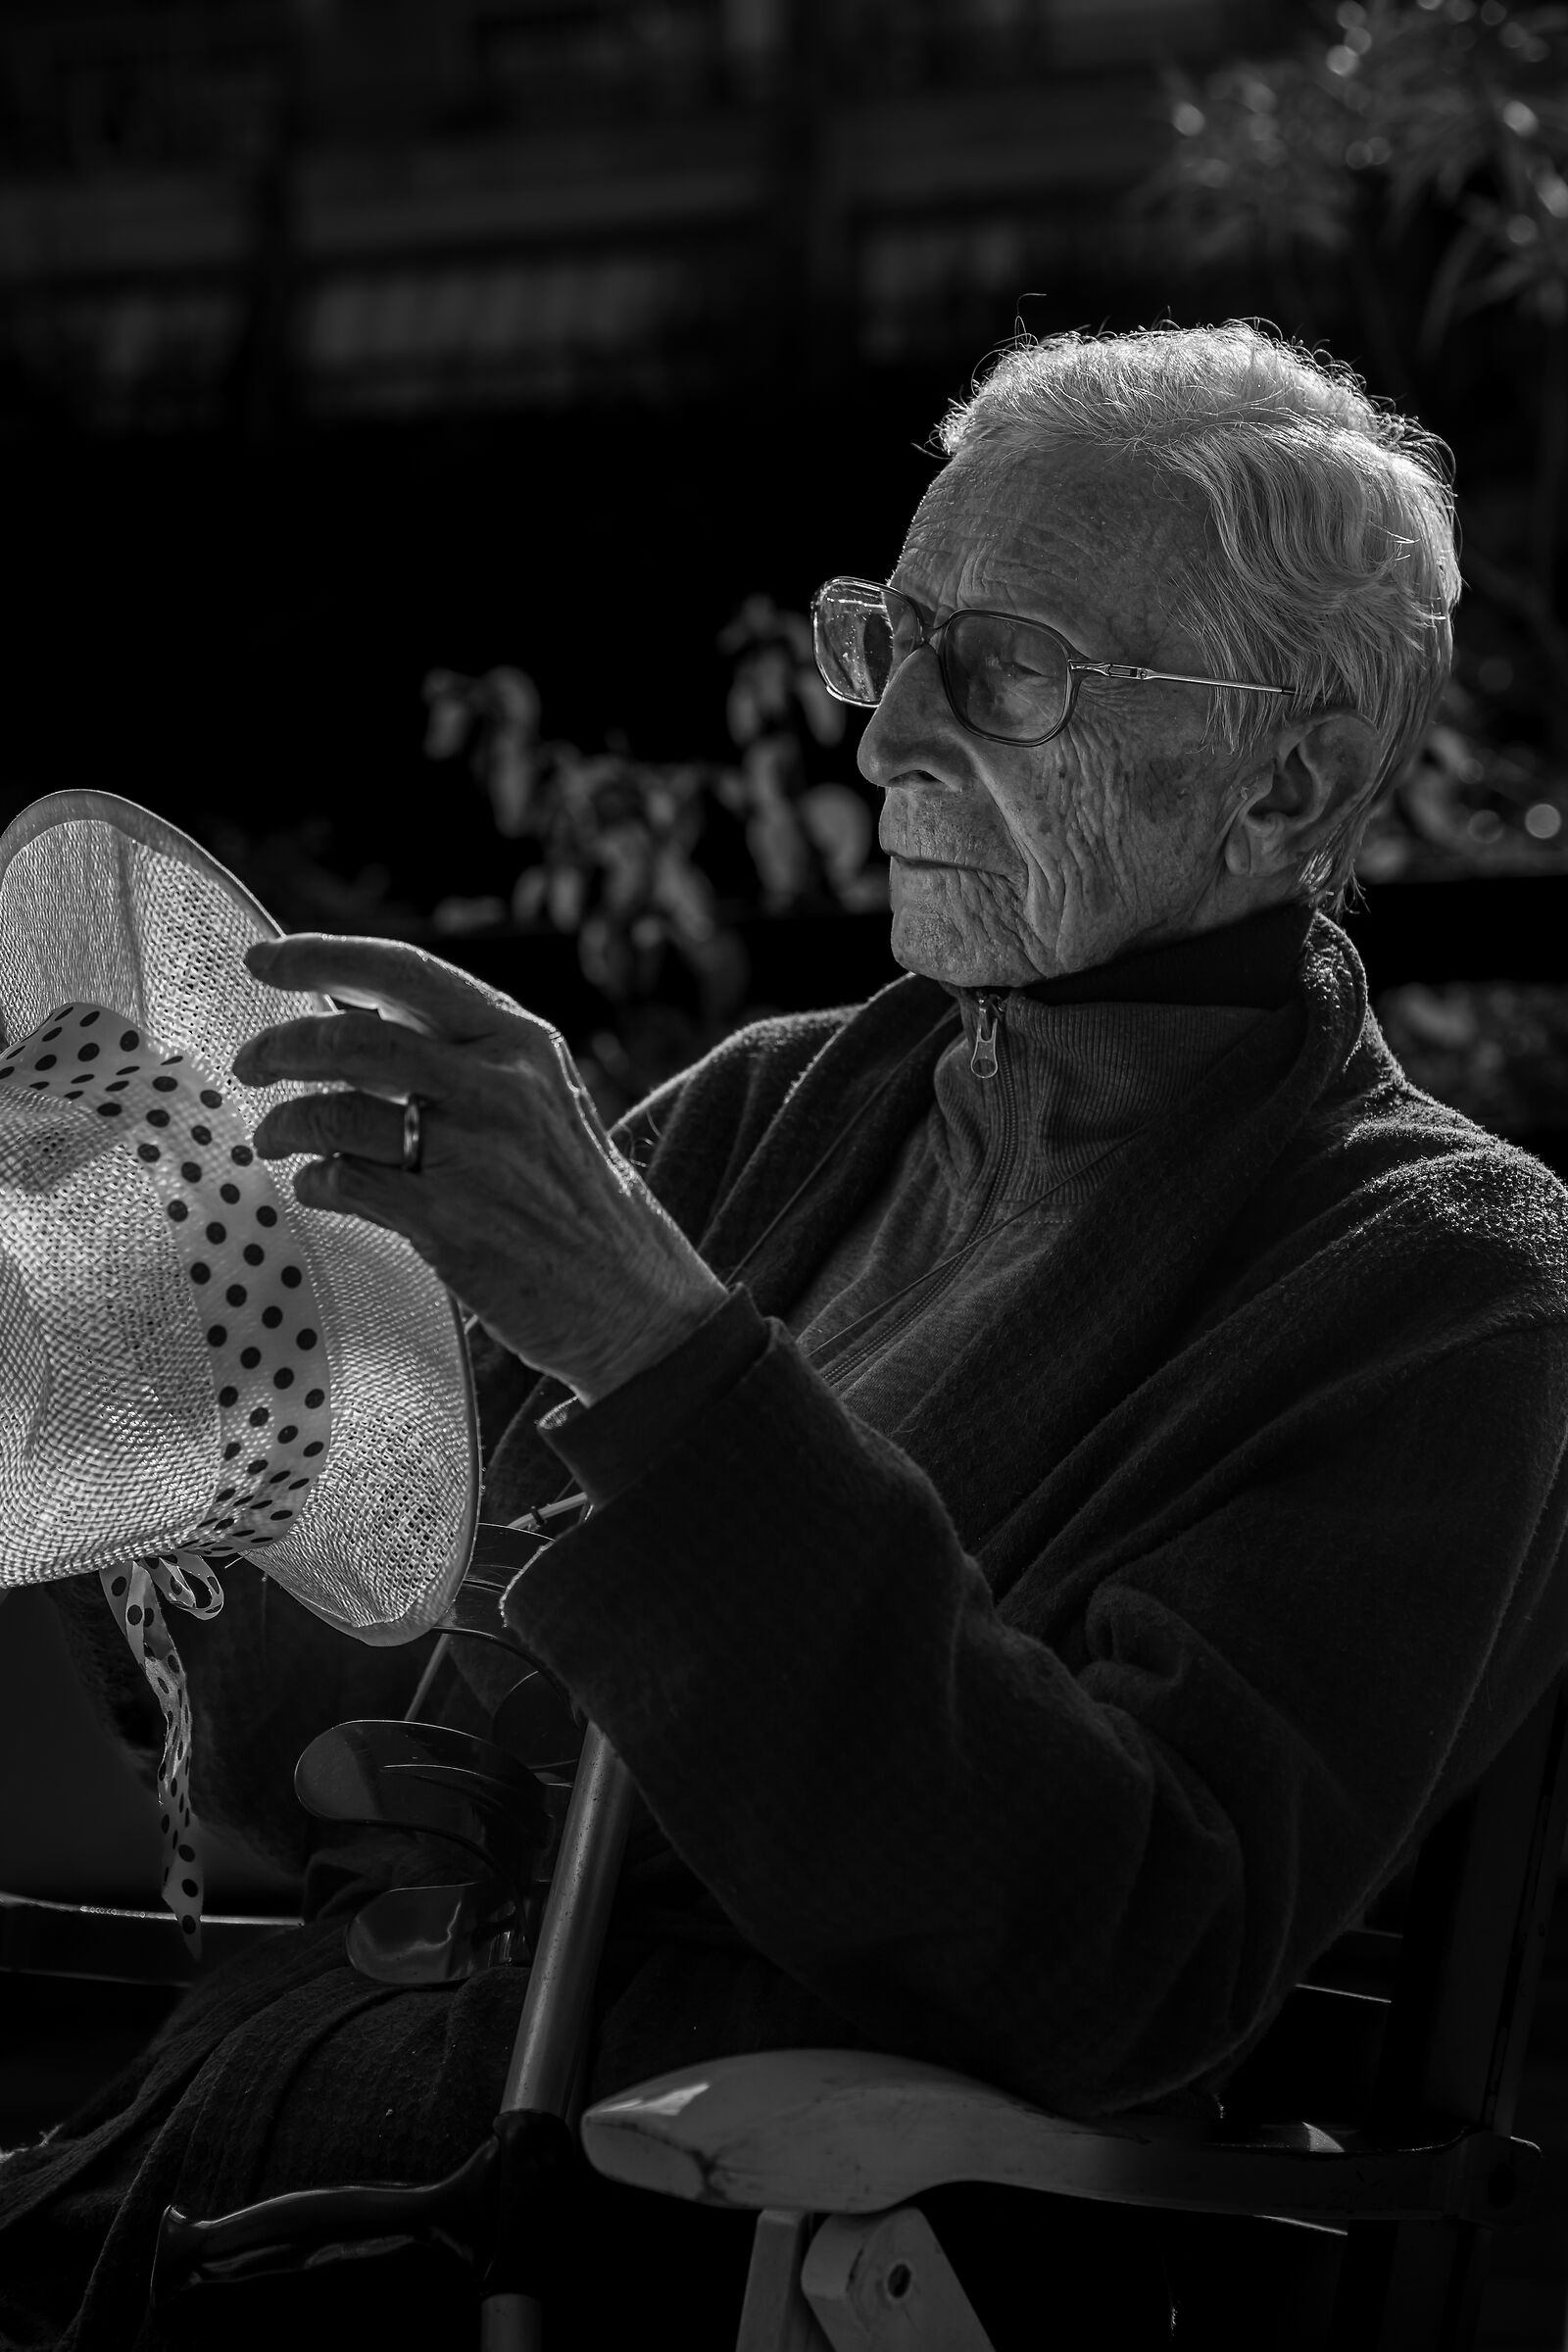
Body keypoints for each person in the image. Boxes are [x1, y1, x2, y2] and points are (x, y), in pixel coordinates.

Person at [8, 319, 1568, 2351]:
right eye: (885, 642)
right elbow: (339, 1747)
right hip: (329, 2143)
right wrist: (164, 1394)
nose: (886, 737)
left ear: (1290, 770)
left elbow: (1116, 1950)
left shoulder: (1448, 1281)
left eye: (1001, 669)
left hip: (726, 2249)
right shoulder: (770, 1113)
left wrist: (651, 1339)